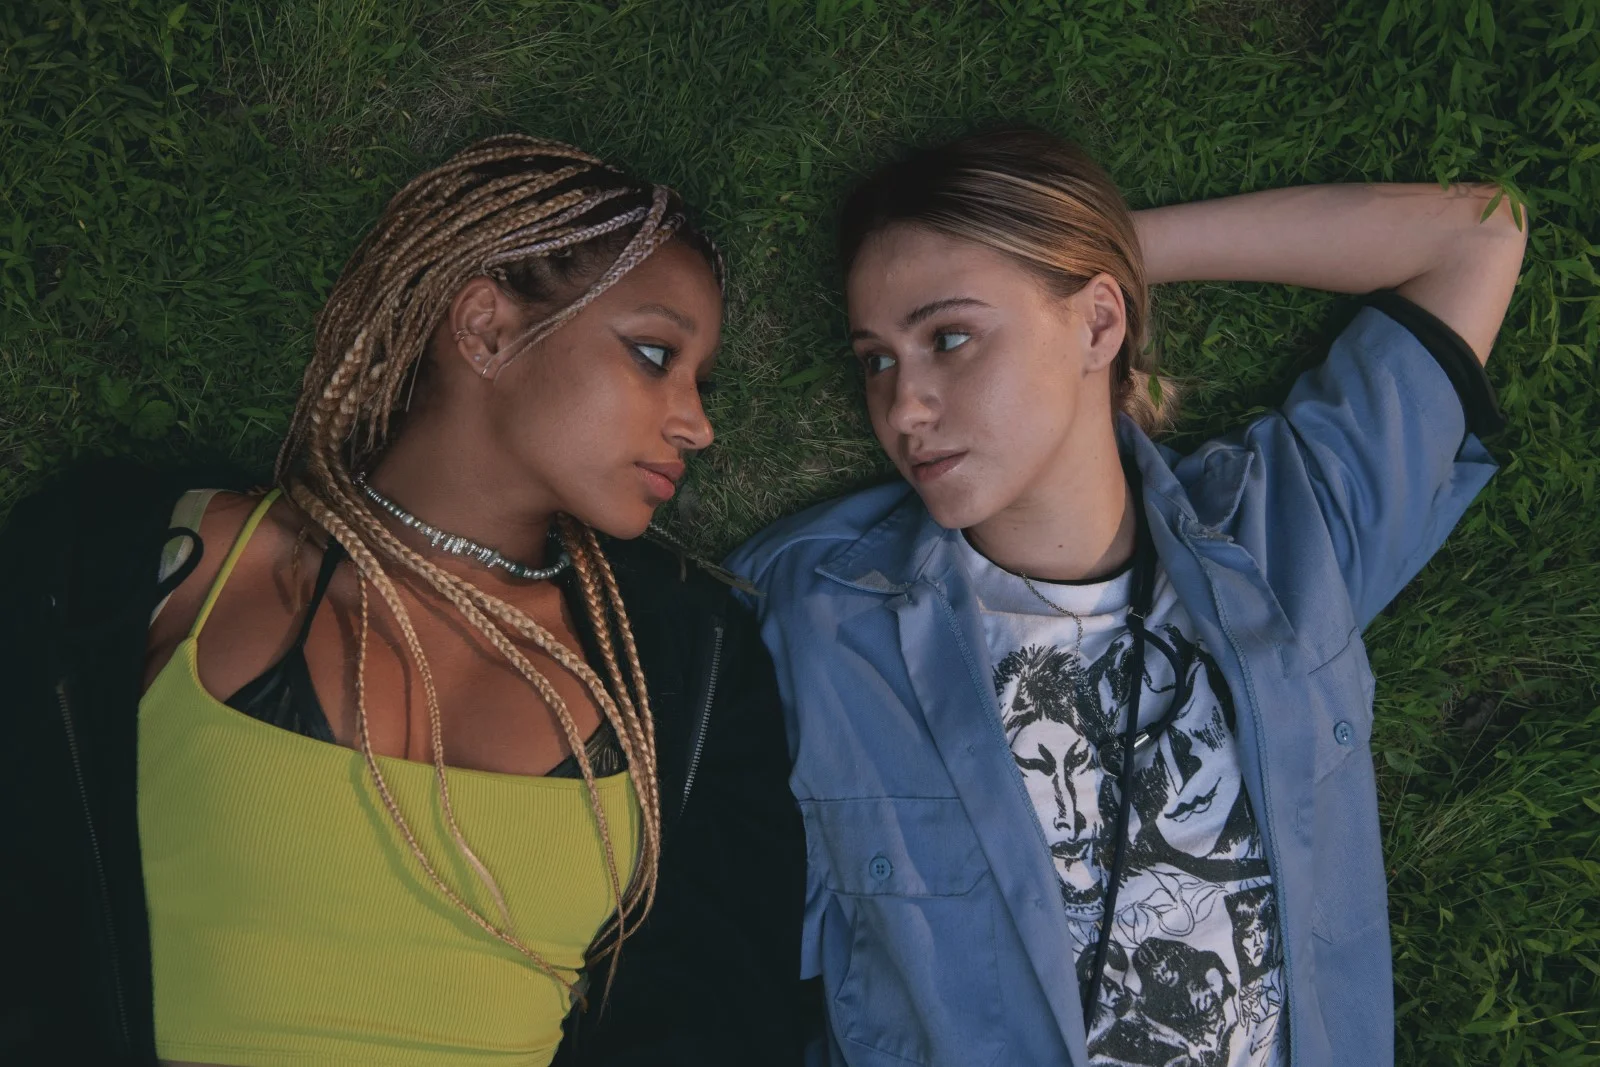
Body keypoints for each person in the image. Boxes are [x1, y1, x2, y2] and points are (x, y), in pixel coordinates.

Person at [2, 135, 811, 1066]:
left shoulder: (688, 668)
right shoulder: (145, 561)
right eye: (654, 354)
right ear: (485, 328)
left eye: (700, 382)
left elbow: (725, 1013)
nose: (698, 424)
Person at [728, 127, 1524, 1067]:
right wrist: (1053, 277)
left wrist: (1095, 251)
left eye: (950, 336)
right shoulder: (816, 609)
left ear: (1100, 325)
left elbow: (1476, 237)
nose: (904, 407)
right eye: (878, 359)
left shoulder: (1282, 540)